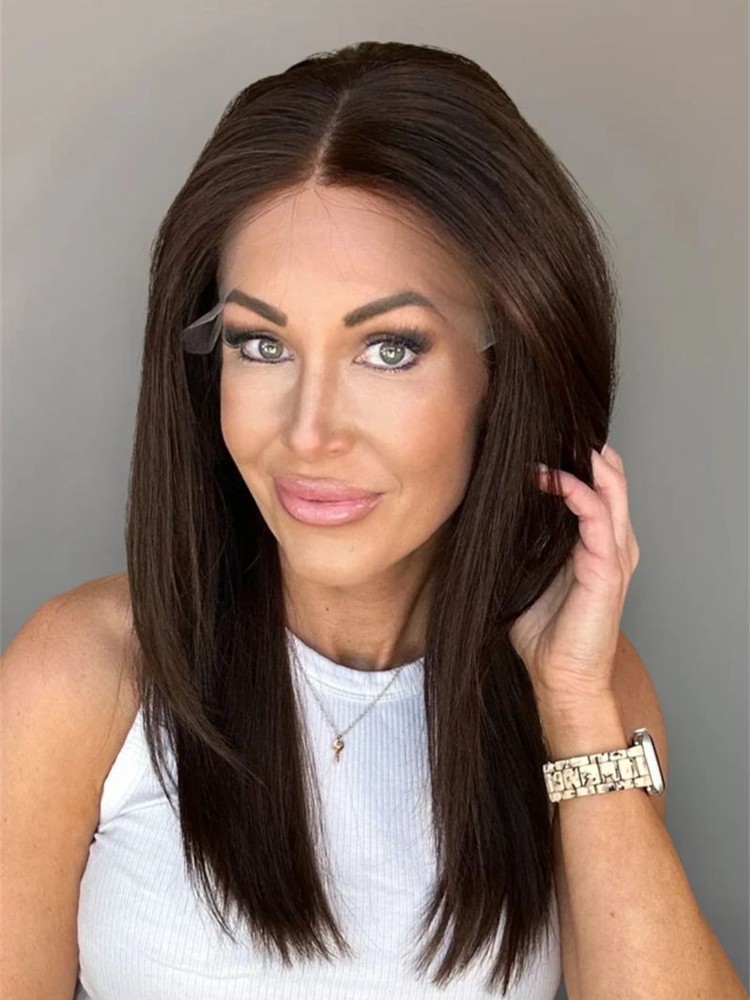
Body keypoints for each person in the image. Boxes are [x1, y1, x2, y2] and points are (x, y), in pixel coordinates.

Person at [3, 40, 745, 1000]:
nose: (310, 434)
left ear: (504, 372)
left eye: (389, 349)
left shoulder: (580, 692)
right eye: (261, 344)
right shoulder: (83, 673)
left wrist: (576, 708)